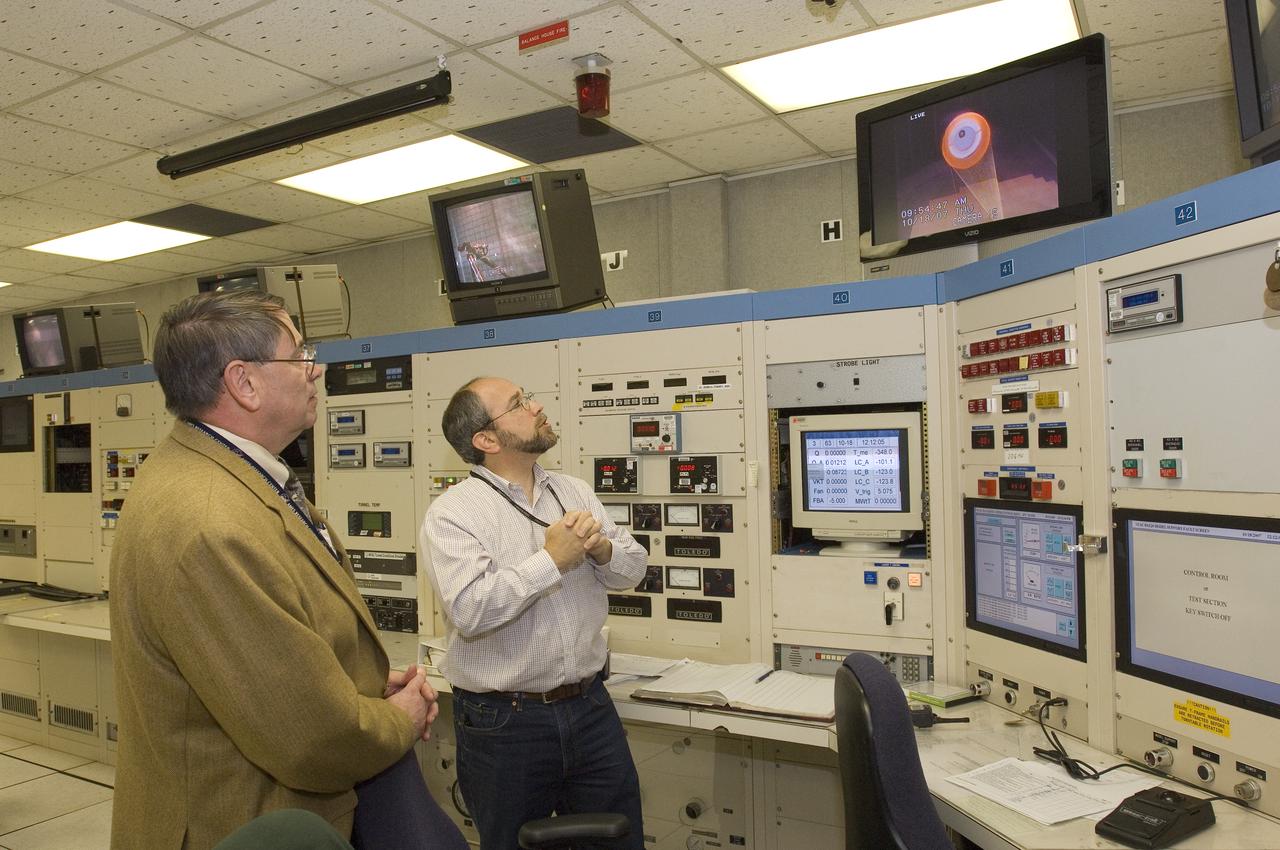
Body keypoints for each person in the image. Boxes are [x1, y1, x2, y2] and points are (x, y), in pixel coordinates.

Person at [109, 290, 441, 850]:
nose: (316, 368)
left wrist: (353, 682)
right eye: (299, 354)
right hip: (244, 821)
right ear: (244, 382)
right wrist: (401, 719)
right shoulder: (211, 522)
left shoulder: (227, 475)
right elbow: (310, 739)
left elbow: (271, 645)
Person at [421, 377, 648, 849]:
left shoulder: (574, 491)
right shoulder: (453, 514)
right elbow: (471, 609)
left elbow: (633, 571)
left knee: (617, 839)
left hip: (590, 708)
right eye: (519, 405)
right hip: (505, 722)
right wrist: (553, 561)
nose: (537, 406)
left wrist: (603, 548)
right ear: (486, 439)